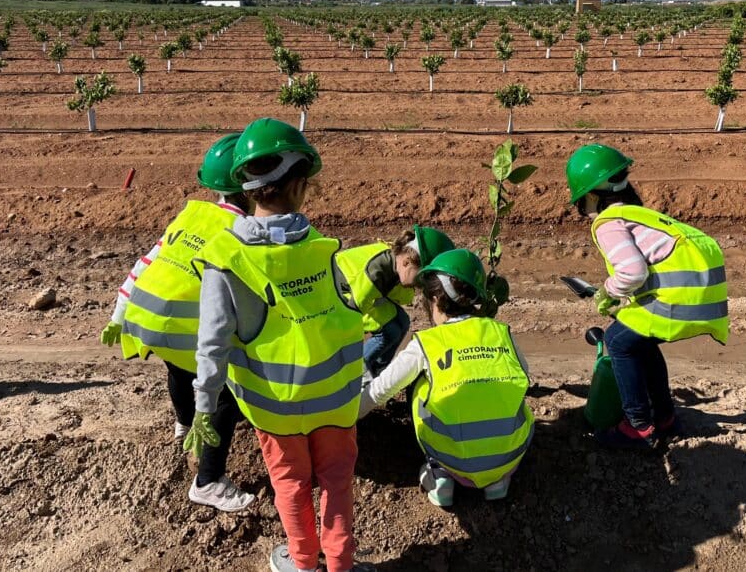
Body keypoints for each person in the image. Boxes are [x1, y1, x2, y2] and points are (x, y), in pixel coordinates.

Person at [185, 118, 375, 572]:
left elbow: (212, 344)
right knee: (337, 482)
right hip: (335, 401)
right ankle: (341, 564)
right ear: (300, 183)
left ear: (246, 190)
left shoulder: (226, 258)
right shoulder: (323, 248)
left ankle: (304, 563)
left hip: (276, 408)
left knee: (289, 482)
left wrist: (204, 407)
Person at [99, 133, 253, 512]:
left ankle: (184, 425)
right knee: (226, 393)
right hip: (186, 328)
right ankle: (209, 481)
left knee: (179, 369)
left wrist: (118, 313)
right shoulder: (242, 232)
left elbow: (146, 262)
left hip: (148, 319)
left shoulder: (194, 215)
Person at [565, 144, 729, 449]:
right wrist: (626, 300)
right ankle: (666, 419)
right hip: (705, 299)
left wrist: (607, 292)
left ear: (589, 196)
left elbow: (632, 272)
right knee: (640, 342)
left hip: (682, 300)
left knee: (616, 341)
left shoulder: (608, 222)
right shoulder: (641, 215)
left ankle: (638, 428)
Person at [359, 249, 534, 508]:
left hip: (454, 459)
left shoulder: (428, 343)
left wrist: (339, 417)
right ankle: (496, 482)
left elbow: (380, 391)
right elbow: (525, 374)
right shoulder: (501, 332)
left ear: (435, 299)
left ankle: (439, 475)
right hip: (510, 455)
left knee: (420, 385)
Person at [336, 226, 455, 378]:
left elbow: (402, 297)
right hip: (343, 294)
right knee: (389, 331)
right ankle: (356, 372)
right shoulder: (378, 269)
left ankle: (378, 374)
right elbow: (353, 311)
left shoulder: (398, 266)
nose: (420, 285)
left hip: (364, 295)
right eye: (421, 278)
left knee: (403, 321)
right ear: (407, 262)